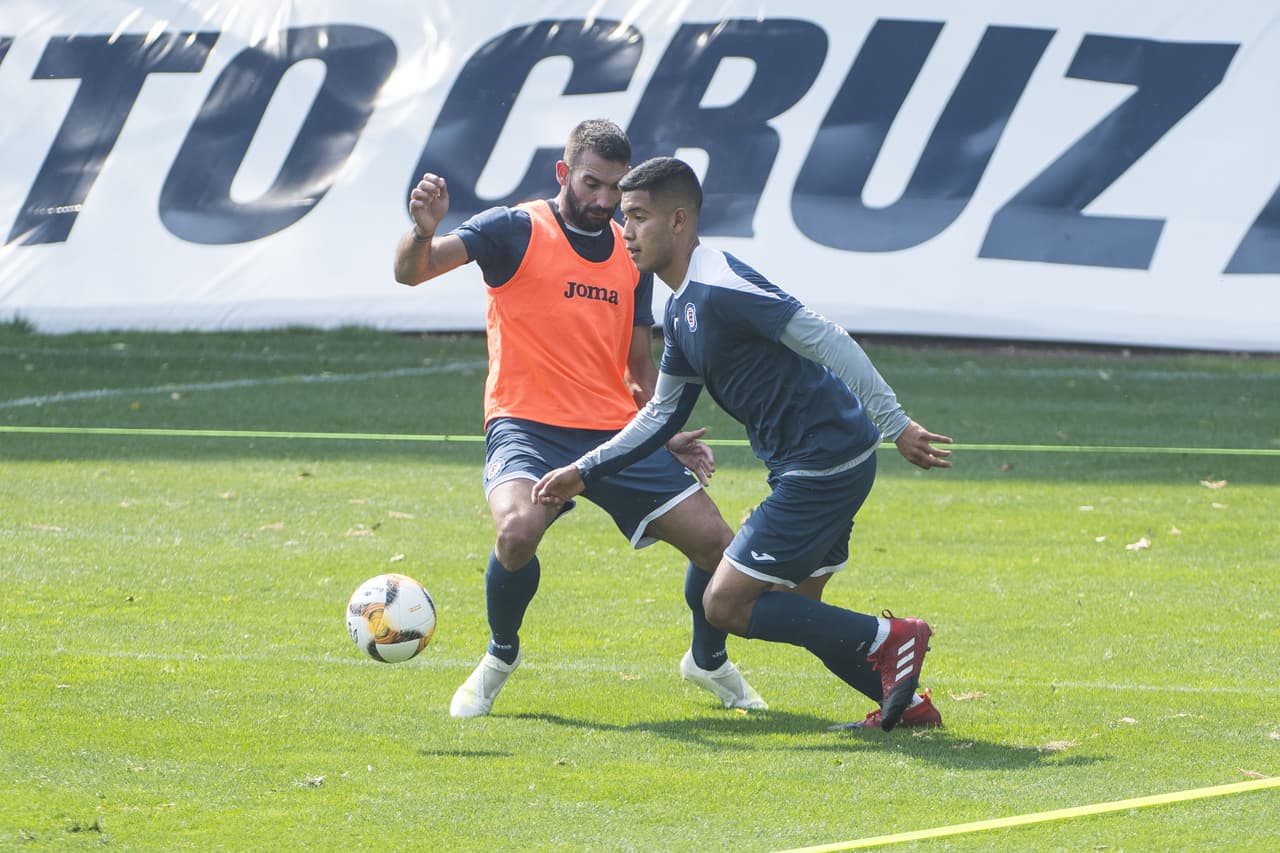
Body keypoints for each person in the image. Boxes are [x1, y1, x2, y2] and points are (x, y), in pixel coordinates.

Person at [533, 156, 955, 731]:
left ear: (678, 221)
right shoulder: (680, 305)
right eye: (621, 219)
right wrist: (585, 469)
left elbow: (829, 340)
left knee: (725, 603)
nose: (623, 231)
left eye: (636, 217)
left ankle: (893, 636)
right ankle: (907, 710)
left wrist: (897, 423)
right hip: (819, 459)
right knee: (798, 610)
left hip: (822, 460)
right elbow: (660, 414)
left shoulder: (718, 284)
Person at [394, 121, 766, 718]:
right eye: (591, 183)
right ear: (564, 173)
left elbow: (639, 363)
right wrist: (421, 231)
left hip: (616, 435)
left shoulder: (631, 252)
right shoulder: (511, 229)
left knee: (720, 552)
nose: (602, 201)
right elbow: (412, 272)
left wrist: (662, 433)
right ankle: (500, 656)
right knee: (516, 534)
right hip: (526, 427)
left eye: (615, 190)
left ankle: (708, 659)